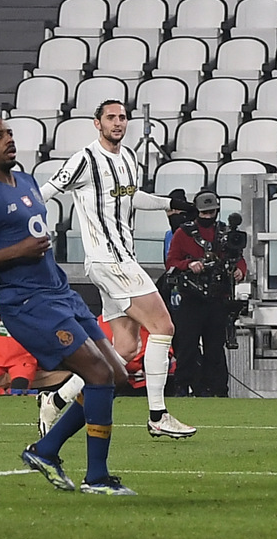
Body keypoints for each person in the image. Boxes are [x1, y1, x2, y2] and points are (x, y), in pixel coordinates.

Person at [0, 114, 135, 495]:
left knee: (116, 375)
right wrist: (16, 250)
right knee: (97, 374)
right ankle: (97, 478)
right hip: (28, 302)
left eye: (9, 133)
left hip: (61, 293)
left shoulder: (27, 181)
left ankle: (46, 450)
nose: (9, 140)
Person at [37, 99, 196, 439]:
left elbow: (132, 197)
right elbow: (45, 192)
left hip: (122, 257)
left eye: (122, 117)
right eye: (110, 117)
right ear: (97, 123)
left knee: (124, 348)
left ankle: (55, 399)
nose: (118, 122)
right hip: (109, 260)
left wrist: (170, 204)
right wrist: (23, 223)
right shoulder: (85, 159)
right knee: (163, 326)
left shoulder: (128, 158)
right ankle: (158, 415)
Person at [165, 191, 247, 398]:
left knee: (215, 349)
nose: (208, 216)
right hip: (191, 299)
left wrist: (240, 270)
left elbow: (238, 258)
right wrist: (189, 264)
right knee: (187, 347)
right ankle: (182, 387)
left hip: (218, 299)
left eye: (211, 212)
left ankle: (216, 390)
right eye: (204, 213)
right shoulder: (183, 233)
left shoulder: (225, 233)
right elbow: (171, 262)